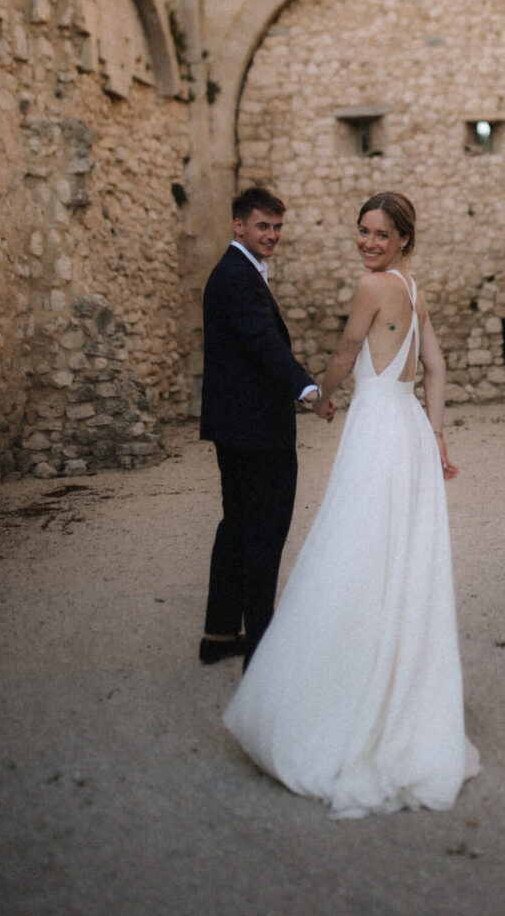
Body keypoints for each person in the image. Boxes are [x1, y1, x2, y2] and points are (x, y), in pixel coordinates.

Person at [223, 191, 480, 818]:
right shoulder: (412, 289)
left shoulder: (372, 289)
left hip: (377, 428)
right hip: (410, 431)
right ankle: (397, 690)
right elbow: (437, 365)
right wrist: (437, 431)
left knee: (354, 549)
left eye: (381, 235)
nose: (368, 243)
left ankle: (346, 699)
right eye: (363, 232)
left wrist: (319, 396)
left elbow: (344, 351)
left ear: (402, 239)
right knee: (400, 558)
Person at [198, 185, 331, 667]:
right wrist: (307, 388)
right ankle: (260, 643)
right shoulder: (237, 276)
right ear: (239, 226)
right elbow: (262, 341)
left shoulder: (236, 270)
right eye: (262, 226)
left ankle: (217, 635)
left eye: (277, 227)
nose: (272, 235)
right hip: (256, 431)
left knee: (237, 525)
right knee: (264, 531)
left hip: (236, 426)